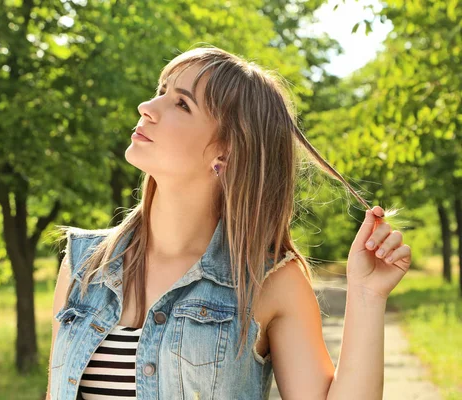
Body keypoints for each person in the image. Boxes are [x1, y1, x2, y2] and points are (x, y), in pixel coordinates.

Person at [46, 46, 412, 400]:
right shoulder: (84, 263)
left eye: (181, 103)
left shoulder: (267, 281)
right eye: (161, 91)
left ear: (226, 151)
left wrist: (366, 296)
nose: (146, 107)